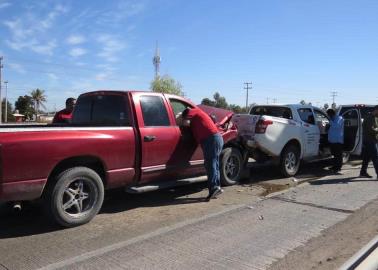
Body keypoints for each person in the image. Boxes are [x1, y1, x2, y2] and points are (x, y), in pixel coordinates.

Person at [181, 107, 224, 201]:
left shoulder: (192, 111)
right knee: (214, 163)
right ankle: (217, 187)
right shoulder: (198, 114)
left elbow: (185, 123)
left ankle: (214, 188)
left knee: (210, 164)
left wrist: (180, 119)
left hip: (211, 138)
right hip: (215, 138)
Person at [359, 105, 378, 179]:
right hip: (370, 140)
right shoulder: (370, 118)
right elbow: (371, 130)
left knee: (367, 157)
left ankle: (363, 172)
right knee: (375, 158)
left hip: (370, 140)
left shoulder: (374, 117)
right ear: (376, 110)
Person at [326, 109, 344, 173]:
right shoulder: (332, 119)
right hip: (332, 140)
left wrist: (330, 122)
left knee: (338, 155)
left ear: (332, 114)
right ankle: (334, 166)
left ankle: (338, 167)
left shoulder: (339, 118)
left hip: (337, 140)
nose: (328, 116)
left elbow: (337, 126)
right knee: (334, 154)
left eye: (329, 115)